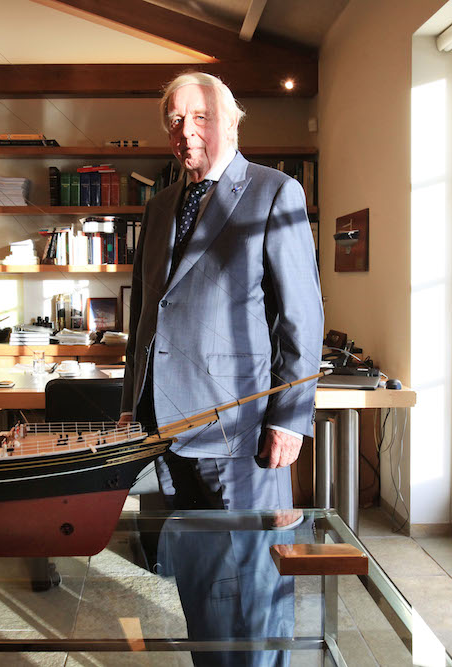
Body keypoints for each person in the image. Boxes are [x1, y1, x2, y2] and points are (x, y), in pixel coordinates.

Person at [119, 71, 323, 665]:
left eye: (201, 117)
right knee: (202, 578)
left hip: (242, 433)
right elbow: (145, 318)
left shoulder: (274, 192)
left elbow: (300, 318)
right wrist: (135, 407)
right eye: (176, 121)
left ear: (233, 120)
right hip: (168, 432)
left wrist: (290, 418)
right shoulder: (159, 208)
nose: (187, 132)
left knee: (256, 583)